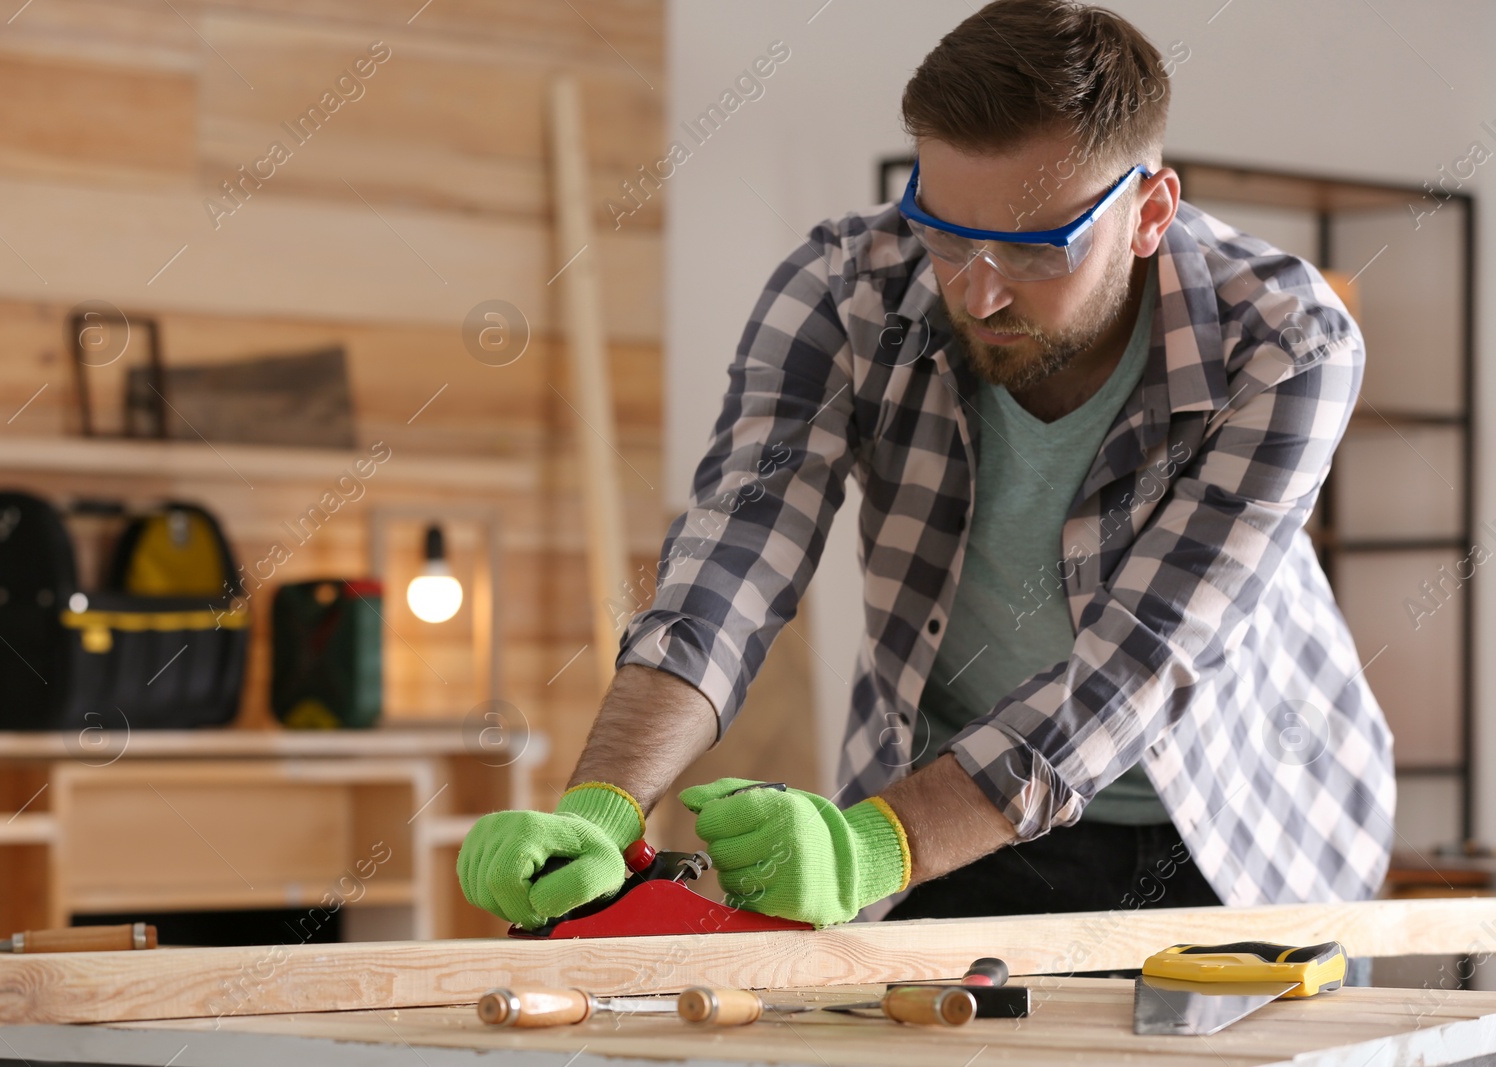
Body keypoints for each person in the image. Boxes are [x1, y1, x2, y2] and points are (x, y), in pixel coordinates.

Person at [457, 0, 1395, 933]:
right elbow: (734, 554)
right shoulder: (843, 288)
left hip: (1241, 833)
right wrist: (603, 806)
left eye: (1036, 249)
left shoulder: (1284, 343)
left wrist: (871, 848)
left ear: (1150, 213)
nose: (978, 290)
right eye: (945, 233)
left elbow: (1144, 658)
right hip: (955, 810)